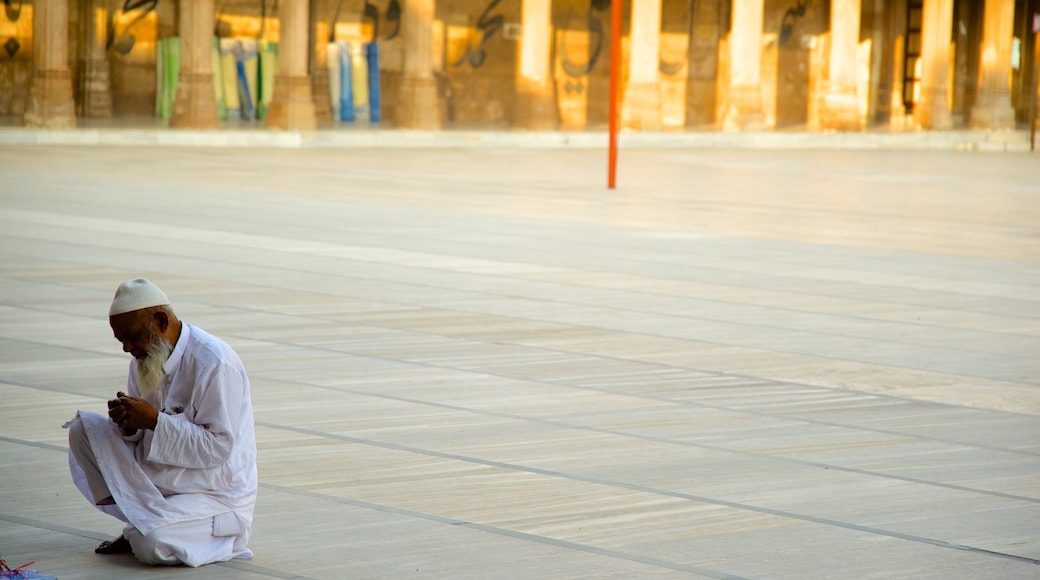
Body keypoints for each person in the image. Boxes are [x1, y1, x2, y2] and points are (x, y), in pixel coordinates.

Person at [65, 278, 258, 567]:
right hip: (161, 486)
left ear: (160, 320)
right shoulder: (143, 358)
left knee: (152, 544)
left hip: (213, 493)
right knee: (84, 429)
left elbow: (219, 448)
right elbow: (144, 434)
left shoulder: (214, 363)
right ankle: (141, 521)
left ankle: (148, 530)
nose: (127, 348)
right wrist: (129, 426)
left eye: (132, 337)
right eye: (121, 340)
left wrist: (155, 421)